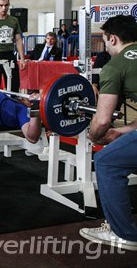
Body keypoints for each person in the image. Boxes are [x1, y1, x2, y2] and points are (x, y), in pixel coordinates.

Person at [79, 15, 137, 251]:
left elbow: (102, 120)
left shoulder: (115, 66)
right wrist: (123, 132)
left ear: (112, 39)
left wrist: (95, 135)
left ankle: (124, 233)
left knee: (106, 161)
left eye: (105, 41)